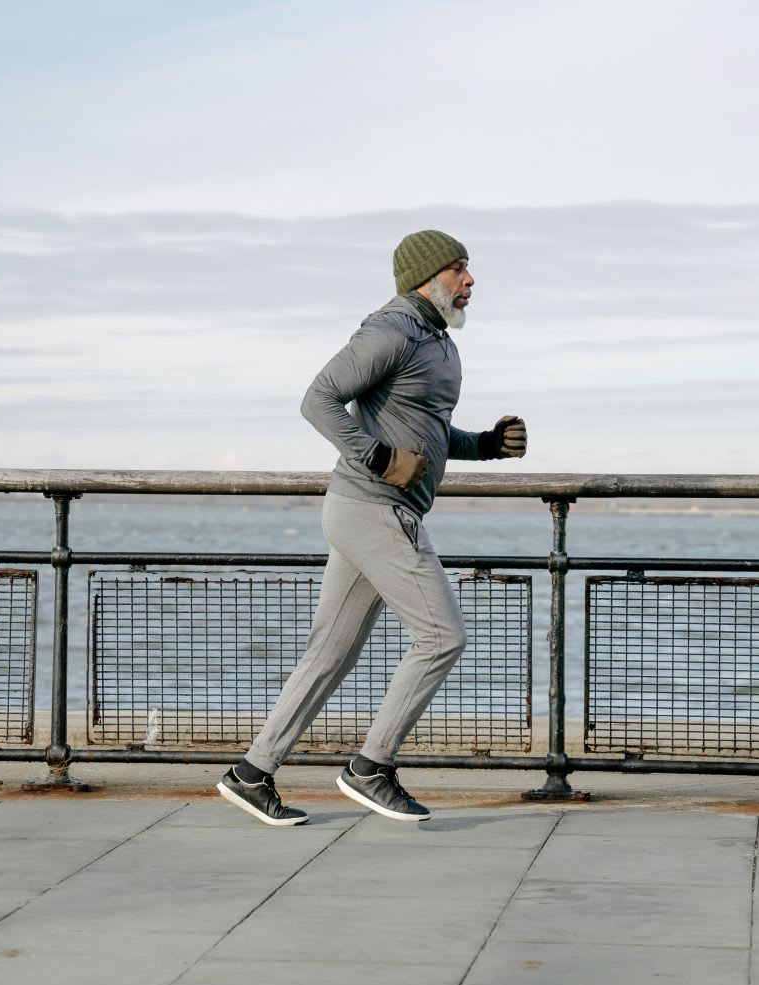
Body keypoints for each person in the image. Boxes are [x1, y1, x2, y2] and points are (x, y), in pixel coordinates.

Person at [216, 230, 527, 825]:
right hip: (374, 508)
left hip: (372, 511)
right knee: (442, 636)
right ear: (426, 277)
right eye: (458, 269)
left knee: (329, 654)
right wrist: (378, 457)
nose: (470, 280)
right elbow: (318, 399)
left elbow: (429, 434)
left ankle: (251, 773)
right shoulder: (392, 330)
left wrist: (487, 444)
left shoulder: (436, 340)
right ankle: (370, 768)